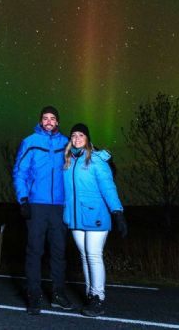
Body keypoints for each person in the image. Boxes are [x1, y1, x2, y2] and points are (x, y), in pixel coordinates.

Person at [13, 105, 74, 315]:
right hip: (36, 205)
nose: (49, 121)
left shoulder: (66, 143)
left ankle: (58, 294)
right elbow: (20, 172)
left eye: (52, 118)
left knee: (58, 251)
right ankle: (34, 295)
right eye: (45, 118)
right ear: (41, 121)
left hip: (59, 206)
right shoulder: (30, 142)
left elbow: (84, 157)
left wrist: (103, 157)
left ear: (57, 122)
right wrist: (23, 200)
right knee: (34, 251)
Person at [62, 123, 127, 317]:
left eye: (81, 135)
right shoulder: (67, 160)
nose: (77, 138)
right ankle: (90, 295)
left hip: (96, 215)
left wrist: (117, 212)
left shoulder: (96, 160)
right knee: (84, 256)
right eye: (74, 135)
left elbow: (108, 187)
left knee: (94, 255)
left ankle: (98, 297)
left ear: (87, 138)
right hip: (75, 217)